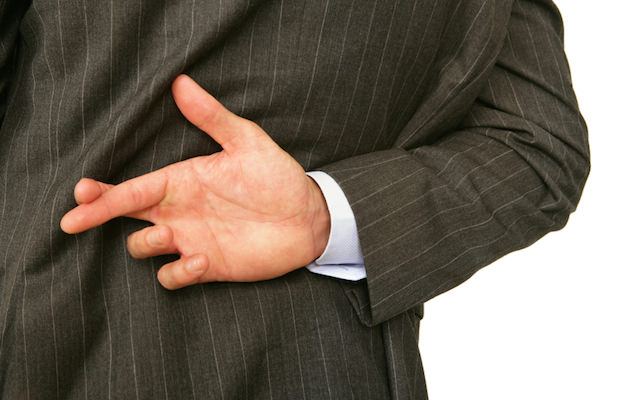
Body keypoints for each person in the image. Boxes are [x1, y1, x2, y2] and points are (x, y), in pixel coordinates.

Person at [0, 0, 589, 398]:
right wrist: (328, 215)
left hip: (55, 315)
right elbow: (537, 143)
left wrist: (321, 215)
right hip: (316, 361)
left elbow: (536, 144)